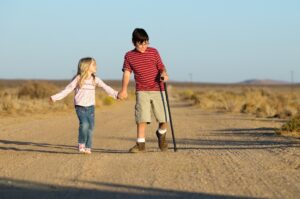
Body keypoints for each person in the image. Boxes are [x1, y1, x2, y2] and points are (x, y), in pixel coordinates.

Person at [50, 57, 118, 154]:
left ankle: (88, 147)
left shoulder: (95, 79)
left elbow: (106, 87)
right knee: (84, 125)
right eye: (93, 64)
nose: (96, 66)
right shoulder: (78, 79)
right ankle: (81, 143)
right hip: (80, 107)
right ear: (86, 66)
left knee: (90, 127)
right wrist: (55, 97)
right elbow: (67, 89)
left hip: (91, 107)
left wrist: (116, 94)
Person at [118, 28, 169, 153]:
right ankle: (140, 144)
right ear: (133, 42)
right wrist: (124, 90)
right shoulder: (129, 55)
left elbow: (162, 67)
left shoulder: (153, 52)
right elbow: (126, 73)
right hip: (142, 90)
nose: (143, 46)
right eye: (140, 43)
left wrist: (164, 74)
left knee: (164, 118)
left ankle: (161, 134)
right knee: (142, 117)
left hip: (158, 89)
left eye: (146, 42)